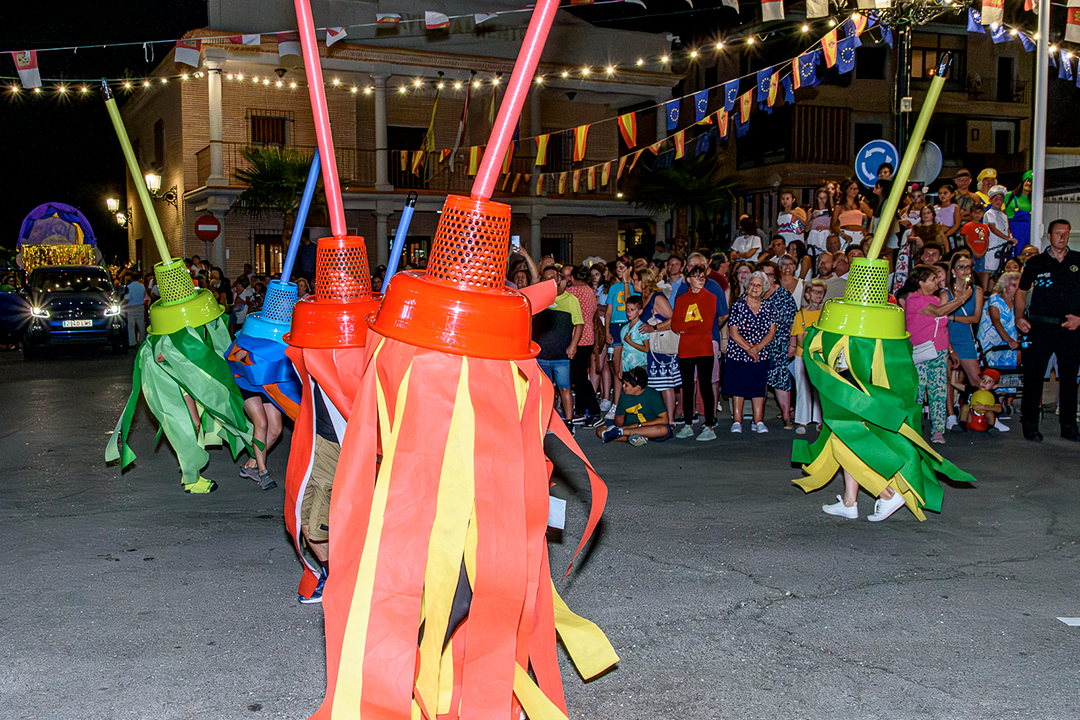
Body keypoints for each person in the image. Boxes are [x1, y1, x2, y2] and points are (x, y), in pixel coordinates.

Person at [1014, 220, 1080, 442]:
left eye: (1066, 233)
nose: (1062, 237)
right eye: (1058, 233)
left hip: (1070, 326)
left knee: (1069, 377)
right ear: (1049, 236)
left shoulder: (1078, 260)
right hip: (1040, 325)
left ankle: (1069, 425)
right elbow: (1021, 291)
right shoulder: (1036, 263)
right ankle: (1030, 424)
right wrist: (1019, 316)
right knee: (1034, 376)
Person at [903, 265, 973, 444]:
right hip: (920, 351)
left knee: (938, 391)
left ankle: (938, 430)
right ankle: (912, 429)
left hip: (939, 351)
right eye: (933, 279)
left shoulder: (935, 299)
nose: (937, 281)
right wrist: (962, 298)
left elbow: (941, 325)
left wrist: (950, 350)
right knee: (918, 392)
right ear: (921, 282)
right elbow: (939, 312)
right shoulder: (914, 299)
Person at [723, 271, 775, 433]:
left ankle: (758, 421)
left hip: (761, 353)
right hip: (738, 353)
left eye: (759, 285)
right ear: (747, 286)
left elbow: (772, 331)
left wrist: (757, 348)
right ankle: (737, 421)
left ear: (764, 288)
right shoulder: (738, 305)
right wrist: (750, 350)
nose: (755, 287)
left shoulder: (768, 306)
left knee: (758, 388)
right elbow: (733, 333)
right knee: (737, 388)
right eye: (752, 284)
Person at [531, 266, 584, 425]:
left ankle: (569, 422)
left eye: (552, 277)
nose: (549, 281)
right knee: (545, 390)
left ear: (559, 278)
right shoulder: (540, 299)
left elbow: (579, 324)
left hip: (561, 355)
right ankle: (547, 423)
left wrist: (573, 345)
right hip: (542, 354)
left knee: (564, 388)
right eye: (546, 278)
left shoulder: (570, 300)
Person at [671, 265, 718, 441]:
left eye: (702, 277)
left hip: (704, 347)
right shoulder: (681, 299)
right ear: (688, 279)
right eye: (696, 276)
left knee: (705, 386)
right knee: (687, 387)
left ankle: (709, 425)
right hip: (685, 348)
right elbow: (675, 325)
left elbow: (706, 324)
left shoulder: (710, 298)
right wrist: (693, 324)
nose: (700, 280)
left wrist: (687, 326)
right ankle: (688, 424)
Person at [632, 267, 678, 425]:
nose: (632, 282)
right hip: (651, 347)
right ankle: (661, 417)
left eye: (634, 280)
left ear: (643, 281)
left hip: (661, 347)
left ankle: (670, 421)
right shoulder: (644, 297)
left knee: (666, 384)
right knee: (657, 384)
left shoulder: (657, 298)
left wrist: (655, 328)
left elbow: (674, 319)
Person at [943, 254, 984, 432]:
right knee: (946, 378)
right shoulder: (945, 293)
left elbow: (975, 318)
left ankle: (981, 413)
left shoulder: (976, 290)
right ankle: (950, 416)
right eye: (961, 267)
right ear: (953, 271)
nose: (966, 270)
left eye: (968, 267)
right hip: (947, 338)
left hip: (965, 339)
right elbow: (941, 318)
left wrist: (953, 317)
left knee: (977, 379)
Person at [758, 261, 798, 429]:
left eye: (770, 274)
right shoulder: (754, 293)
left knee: (781, 380)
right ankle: (758, 419)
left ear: (775, 277)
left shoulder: (783, 295)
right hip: (757, 346)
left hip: (780, 345)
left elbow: (794, 321)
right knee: (758, 382)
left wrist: (793, 344)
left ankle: (787, 417)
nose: (767, 278)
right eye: (763, 274)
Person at [597, 368, 673, 446]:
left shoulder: (653, 395)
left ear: (637, 388)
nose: (623, 386)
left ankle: (621, 433)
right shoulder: (624, 396)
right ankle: (632, 437)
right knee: (600, 431)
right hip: (628, 425)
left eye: (626, 385)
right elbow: (619, 421)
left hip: (648, 426)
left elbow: (664, 419)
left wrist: (638, 425)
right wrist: (622, 424)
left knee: (663, 430)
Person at [566, 266, 603, 426]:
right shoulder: (589, 290)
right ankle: (581, 410)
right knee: (580, 375)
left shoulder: (572, 291)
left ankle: (594, 411)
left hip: (577, 337)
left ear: (572, 277)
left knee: (579, 377)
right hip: (588, 337)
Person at [789, 280, 827, 434]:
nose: (818, 295)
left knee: (820, 389)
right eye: (815, 292)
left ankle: (820, 421)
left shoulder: (826, 314)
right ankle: (802, 421)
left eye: (821, 292)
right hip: (803, 355)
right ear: (807, 295)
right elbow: (799, 339)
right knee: (802, 388)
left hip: (821, 356)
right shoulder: (800, 315)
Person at [604, 257, 634, 415]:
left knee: (630, 367)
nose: (620, 270)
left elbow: (630, 302)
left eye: (623, 267)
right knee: (617, 369)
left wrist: (627, 282)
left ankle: (631, 402)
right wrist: (607, 330)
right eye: (618, 268)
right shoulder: (613, 288)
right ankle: (615, 404)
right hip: (616, 325)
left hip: (629, 324)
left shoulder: (634, 286)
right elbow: (608, 311)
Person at [831, 179, 872, 249]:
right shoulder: (839, 207)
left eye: (857, 189)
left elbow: (873, 217)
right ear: (846, 190)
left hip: (859, 234)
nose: (855, 191)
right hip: (845, 234)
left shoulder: (861, 205)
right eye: (852, 188)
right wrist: (842, 234)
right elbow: (833, 225)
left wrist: (867, 231)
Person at [1004, 171, 1033, 252]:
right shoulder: (1010, 195)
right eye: (1028, 180)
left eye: (1032, 182)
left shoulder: (1034, 200)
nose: (1029, 183)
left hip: (1028, 234)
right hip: (1012, 233)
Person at [806, 188, 833, 255]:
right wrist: (812, 217)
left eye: (824, 198)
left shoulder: (831, 212)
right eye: (820, 198)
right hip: (814, 235)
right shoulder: (811, 211)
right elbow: (806, 229)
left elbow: (835, 228)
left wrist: (826, 227)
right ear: (816, 198)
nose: (822, 201)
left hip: (826, 236)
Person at [123, 270, 146, 347]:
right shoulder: (142, 287)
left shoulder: (129, 287)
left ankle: (132, 342)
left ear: (131, 278)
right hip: (140, 307)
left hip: (130, 308)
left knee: (131, 326)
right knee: (141, 326)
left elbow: (126, 299)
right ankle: (142, 341)